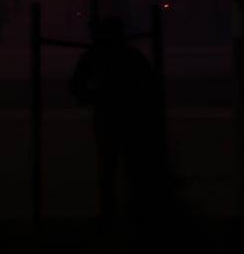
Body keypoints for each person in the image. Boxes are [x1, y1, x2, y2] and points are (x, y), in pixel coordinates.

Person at [69, 16, 170, 223]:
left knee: (109, 167)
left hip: (109, 116)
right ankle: (133, 212)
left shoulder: (96, 56)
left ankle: (111, 213)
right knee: (132, 167)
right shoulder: (131, 56)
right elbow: (150, 87)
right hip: (130, 117)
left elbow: (77, 87)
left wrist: (98, 98)